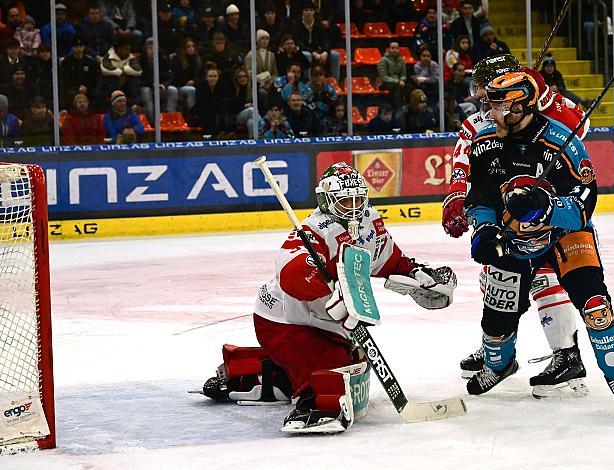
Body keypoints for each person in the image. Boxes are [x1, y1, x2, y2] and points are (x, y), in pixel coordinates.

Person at [198, 162, 456, 433]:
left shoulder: (369, 221)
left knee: (356, 364)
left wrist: (416, 274)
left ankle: (253, 373)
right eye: (345, 202)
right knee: (335, 373)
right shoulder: (314, 230)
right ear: (327, 201)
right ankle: (312, 405)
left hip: (323, 323)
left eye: (359, 199)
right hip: (285, 323)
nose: (355, 208)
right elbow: (291, 272)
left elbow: (387, 259)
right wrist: (326, 291)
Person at [462, 71, 614, 416]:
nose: (489, 113)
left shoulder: (562, 142)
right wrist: (484, 229)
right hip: (513, 238)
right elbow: (481, 197)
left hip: (565, 234)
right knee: (496, 321)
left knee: (594, 303)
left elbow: (583, 205)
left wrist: (546, 205)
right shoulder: (485, 143)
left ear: (519, 106)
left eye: (497, 105)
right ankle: (499, 365)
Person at [444, 54, 592, 398]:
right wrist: (456, 196)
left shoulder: (538, 104)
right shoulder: (478, 122)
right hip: (500, 208)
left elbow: (579, 127)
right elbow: (465, 161)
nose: (478, 91)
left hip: (545, 204)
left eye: (482, 83)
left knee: (544, 277)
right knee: (495, 276)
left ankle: (567, 354)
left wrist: (544, 97)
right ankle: (498, 346)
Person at [139, 37, 178, 125]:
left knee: (173, 90)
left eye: (154, 48)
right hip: (147, 86)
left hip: (160, 86)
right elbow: (139, 80)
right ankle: (152, 122)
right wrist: (153, 84)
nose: (153, 50)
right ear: (146, 49)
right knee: (146, 92)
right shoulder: (141, 60)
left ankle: (168, 119)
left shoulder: (163, 59)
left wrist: (164, 85)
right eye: (150, 48)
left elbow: (170, 77)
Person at [59, 36, 98, 110]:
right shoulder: (67, 62)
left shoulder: (89, 61)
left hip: (87, 88)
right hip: (72, 88)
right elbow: (66, 79)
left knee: (97, 94)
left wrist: (87, 87)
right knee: (69, 94)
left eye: (80, 46)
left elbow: (93, 79)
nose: (78, 48)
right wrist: (77, 88)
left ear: (84, 47)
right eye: (76, 46)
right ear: (72, 48)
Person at [100, 35, 142, 103]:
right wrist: (120, 72)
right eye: (126, 49)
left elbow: (138, 70)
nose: (128, 52)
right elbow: (105, 69)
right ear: (119, 49)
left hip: (126, 87)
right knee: (112, 77)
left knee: (135, 80)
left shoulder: (130, 57)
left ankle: (134, 104)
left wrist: (124, 70)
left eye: (129, 49)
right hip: (111, 88)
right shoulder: (108, 56)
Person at [171, 37, 202, 116]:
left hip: (194, 85)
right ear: (184, 49)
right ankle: (193, 115)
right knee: (191, 90)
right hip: (180, 86)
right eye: (188, 46)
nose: (191, 48)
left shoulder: (198, 60)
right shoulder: (178, 59)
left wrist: (194, 81)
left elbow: (201, 76)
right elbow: (176, 78)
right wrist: (186, 83)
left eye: (193, 46)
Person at [377, 41, 407, 110]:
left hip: (399, 82)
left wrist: (402, 80)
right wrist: (397, 81)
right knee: (396, 87)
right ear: (388, 49)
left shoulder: (401, 60)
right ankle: (398, 109)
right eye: (392, 48)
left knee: (409, 86)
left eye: (396, 48)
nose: (395, 50)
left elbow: (403, 74)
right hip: (385, 83)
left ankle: (405, 108)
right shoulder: (383, 60)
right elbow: (384, 77)